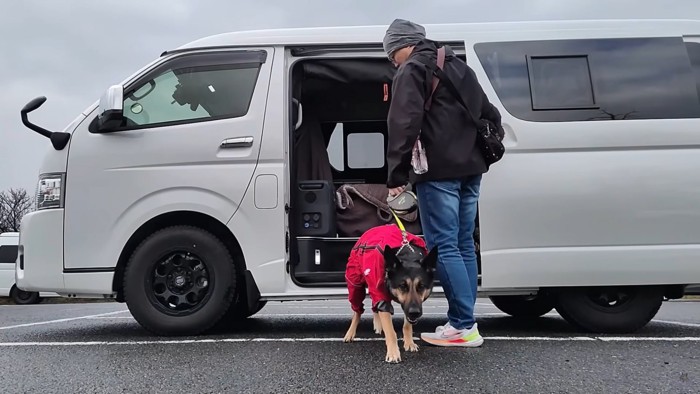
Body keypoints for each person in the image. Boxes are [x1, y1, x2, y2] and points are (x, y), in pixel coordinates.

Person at [382, 18, 503, 347]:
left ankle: (463, 326)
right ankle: (465, 323)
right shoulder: (459, 66)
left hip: (438, 171)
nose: (393, 62)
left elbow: (403, 122)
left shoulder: (412, 69)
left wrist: (396, 175)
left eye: (392, 55)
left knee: (444, 245)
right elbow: (490, 114)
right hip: (471, 168)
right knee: (463, 243)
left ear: (401, 47)